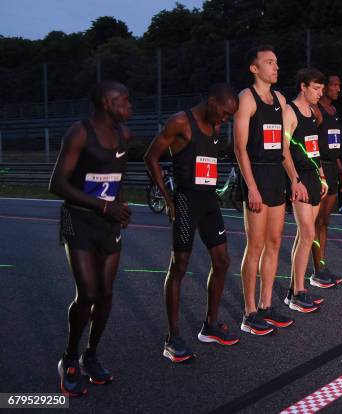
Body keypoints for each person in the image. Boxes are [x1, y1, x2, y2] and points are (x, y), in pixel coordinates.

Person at [144, 83, 240, 363]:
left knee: (222, 261)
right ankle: (172, 338)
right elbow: (150, 156)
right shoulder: (180, 121)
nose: (226, 119)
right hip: (185, 203)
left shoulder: (216, 125)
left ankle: (210, 325)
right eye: (224, 113)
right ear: (211, 101)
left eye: (230, 116)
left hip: (209, 202)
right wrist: (168, 198)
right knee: (179, 267)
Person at [50, 80, 132, 396]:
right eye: (124, 101)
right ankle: (69, 359)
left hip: (108, 223)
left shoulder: (125, 135)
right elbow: (56, 184)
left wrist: (119, 207)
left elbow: (117, 178)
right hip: (79, 219)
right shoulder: (80, 132)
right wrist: (103, 206)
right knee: (87, 293)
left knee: (106, 293)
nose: (130, 107)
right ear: (105, 103)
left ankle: (91, 355)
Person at [233, 45, 308, 334]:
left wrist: (294, 179)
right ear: (255, 69)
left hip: (276, 174)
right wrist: (250, 187)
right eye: (269, 62)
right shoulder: (246, 99)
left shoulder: (279, 98)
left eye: (276, 62)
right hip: (256, 175)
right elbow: (240, 149)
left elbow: (283, 147)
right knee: (256, 246)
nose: (276, 67)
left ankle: (266, 304)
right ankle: (249, 311)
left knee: (275, 242)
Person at [283, 68, 330, 312]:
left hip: (313, 178)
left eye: (322, 89)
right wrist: (294, 180)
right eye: (315, 88)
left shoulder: (312, 113)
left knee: (304, 237)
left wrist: (322, 176)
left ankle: (294, 290)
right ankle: (298, 292)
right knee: (308, 234)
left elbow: (314, 148)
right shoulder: (289, 112)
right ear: (303, 86)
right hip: (299, 180)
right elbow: (284, 150)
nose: (319, 93)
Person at [310, 74, 342, 286]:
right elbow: (311, 143)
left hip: (333, 168)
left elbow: (335, 149)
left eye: (339, 85)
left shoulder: (334, 112)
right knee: (316, 222)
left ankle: (322, 265)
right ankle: (317, 270)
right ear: (324, 88)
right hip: (321, 169)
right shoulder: (317, 111)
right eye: (335, 85)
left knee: (325, 221)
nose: (338, 89)